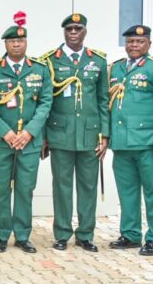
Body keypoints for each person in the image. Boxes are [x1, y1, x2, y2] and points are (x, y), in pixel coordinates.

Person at [0, 12, 52, 253]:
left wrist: (30, 133)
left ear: (26, 43)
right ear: (5, 44)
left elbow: (45, 103)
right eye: (12, 41)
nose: (17, 44)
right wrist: (5, 132)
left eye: (21, 41)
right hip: (0, 141)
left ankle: (23, 235)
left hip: (29, 143)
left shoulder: (40, 69)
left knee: (25, 189)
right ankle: (1, 235)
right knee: (1, 189)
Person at [41, 13, 108, 252]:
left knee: (88, 186)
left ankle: (86, 235)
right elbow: (44, 102)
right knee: (62, 185)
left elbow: (103, 100)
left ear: (85, 32)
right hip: (60, 134)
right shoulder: (49, 61)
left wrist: (105, 135)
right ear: (64, 32)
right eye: (69, 29)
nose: (73, 33)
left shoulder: (97, 61)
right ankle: (61, 234)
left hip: (90, 135)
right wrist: (44, 136)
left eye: (78, 29)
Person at [107, 24, 153, 256]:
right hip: (122, 142)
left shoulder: (152, 68)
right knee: (127, 192)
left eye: (139, 42)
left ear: (148, 44)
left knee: (152, 193)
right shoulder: (115, 69)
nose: (134, 45)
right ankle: (130, 234)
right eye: (130, 42)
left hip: (147, 143)